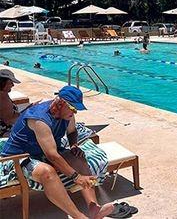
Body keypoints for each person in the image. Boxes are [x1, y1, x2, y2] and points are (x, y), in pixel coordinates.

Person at [0, 85, 114, 219]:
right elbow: (52, 156)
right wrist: (76, 177)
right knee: (47, 172)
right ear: (60, 104)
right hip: (19, 157)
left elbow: (72, 132)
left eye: (76, 108)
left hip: (43, 151)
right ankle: (79, 217)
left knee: (78, 158)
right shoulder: (39, 119)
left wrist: (73, 145)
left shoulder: (68, 114)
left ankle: (94, 208)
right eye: (72, 108)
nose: (75, 112)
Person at [0, 69, 21, 136]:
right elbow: (9, 121)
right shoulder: (2, 97)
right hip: (4, 133)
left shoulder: (4, 93)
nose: (13, 85)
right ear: (3, 82)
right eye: (11, 82)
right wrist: (26, 113)